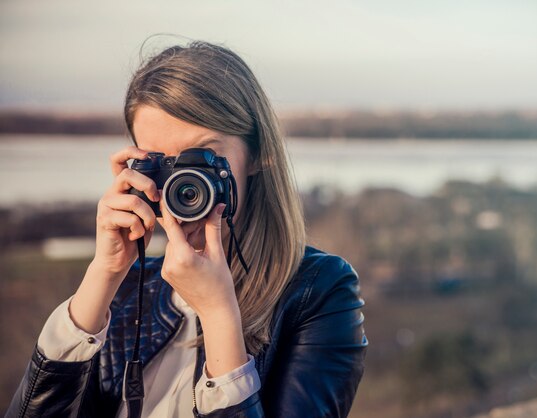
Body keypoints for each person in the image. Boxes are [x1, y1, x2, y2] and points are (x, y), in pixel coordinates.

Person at [6, 41, 367, 418]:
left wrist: (218, 313)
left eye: (204, 156)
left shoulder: (320, 292)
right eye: (161, 161)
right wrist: (104, 274)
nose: (183, 181)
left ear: (261, 152)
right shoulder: (130, 288)